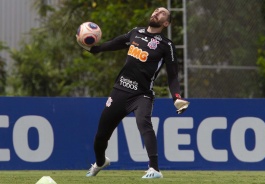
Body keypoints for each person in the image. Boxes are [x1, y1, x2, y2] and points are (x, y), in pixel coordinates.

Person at [77, 7, 189, 179]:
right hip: (120, 90)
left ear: (166, 23)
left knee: (144, 123)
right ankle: (100, 162)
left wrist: (177, 97)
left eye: (161, 13)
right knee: (101, 136)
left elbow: (173, 76)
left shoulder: (166, 46)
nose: (156, 13)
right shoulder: (135, 32)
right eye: (156, 11)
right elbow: (116, 43)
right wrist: (94, 49)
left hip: (141, 94)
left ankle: (155, 169)